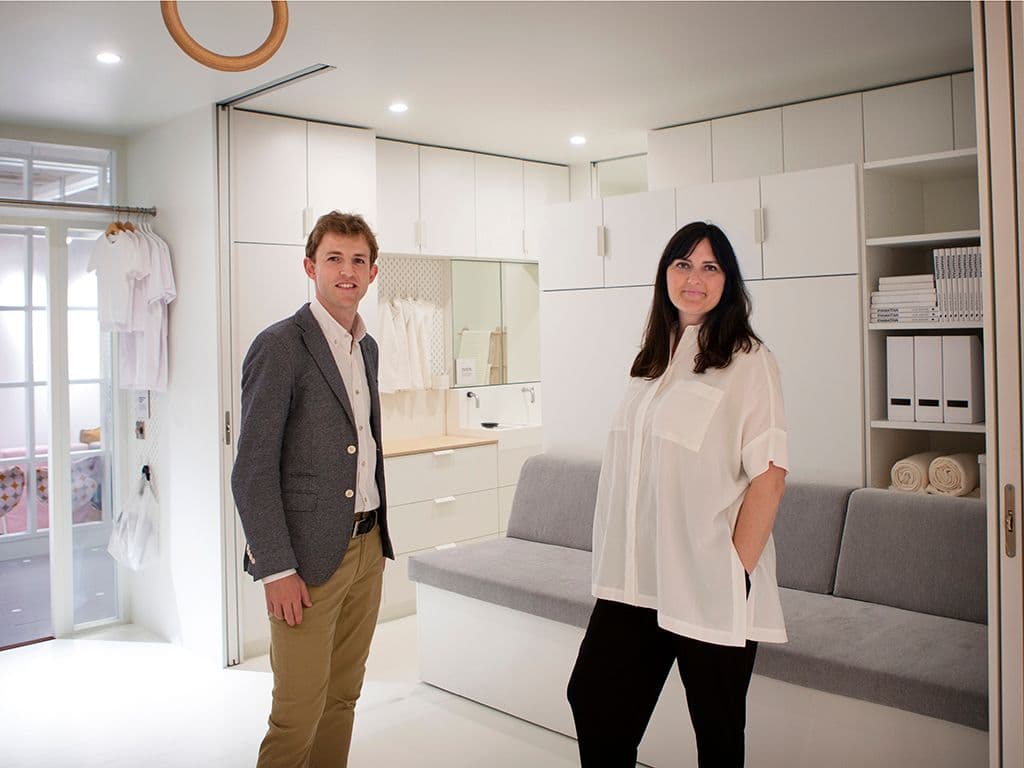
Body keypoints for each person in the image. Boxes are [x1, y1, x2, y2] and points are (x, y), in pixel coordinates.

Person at [567, 221, 788, 768]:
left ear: (728, 281)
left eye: (710, 267)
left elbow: (770, 472)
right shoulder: (649, 362)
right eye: (683, 264)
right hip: (637, 581)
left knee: (716, 733)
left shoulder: (748, 360)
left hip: (708, 579)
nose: (695, 278)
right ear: (665, 274)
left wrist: (734, 571)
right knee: (594, 700)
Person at [232, 211, 393, 768]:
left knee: (342, 699)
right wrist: (276, 568)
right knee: (297, 713)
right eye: (334, 258)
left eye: (358, 261)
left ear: (373, 273)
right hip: (303, 562)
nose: (347, 271)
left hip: (367, 549)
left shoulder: (365, 348)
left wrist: (374, 546)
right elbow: (251, 470)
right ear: (310, 266)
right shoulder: (280, 346)